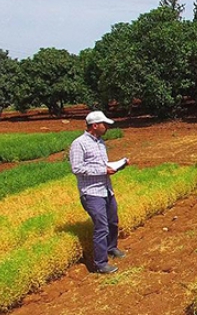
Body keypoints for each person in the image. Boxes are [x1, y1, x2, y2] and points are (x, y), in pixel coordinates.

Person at [70, 111, 129, 274]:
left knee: (113, 221)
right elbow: (76, 168)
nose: (107, 127)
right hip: (91, 193)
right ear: (95, 125)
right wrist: (103, 170)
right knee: (101, 226)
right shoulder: (79, 143)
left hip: (106, 190)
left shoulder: (100, 143)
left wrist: (118, 165)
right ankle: (100, 264)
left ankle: (111, 247)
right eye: (105, 124)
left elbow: (102, 165)